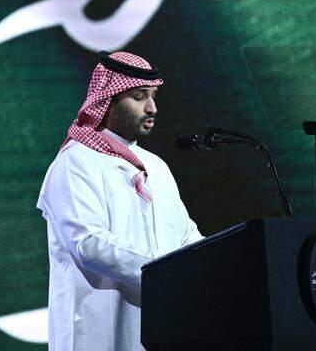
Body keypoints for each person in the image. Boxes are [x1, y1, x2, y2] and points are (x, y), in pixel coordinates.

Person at [36, 50, 203, 350]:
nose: (152, 107)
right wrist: (165, 272)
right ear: (108, 100)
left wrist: (215, 265)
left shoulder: (156, 167)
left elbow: (186, 236)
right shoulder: (75, 163)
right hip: (96, 331)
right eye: (140, 97)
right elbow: (88, 244)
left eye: (153, 96)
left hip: (162, 326)